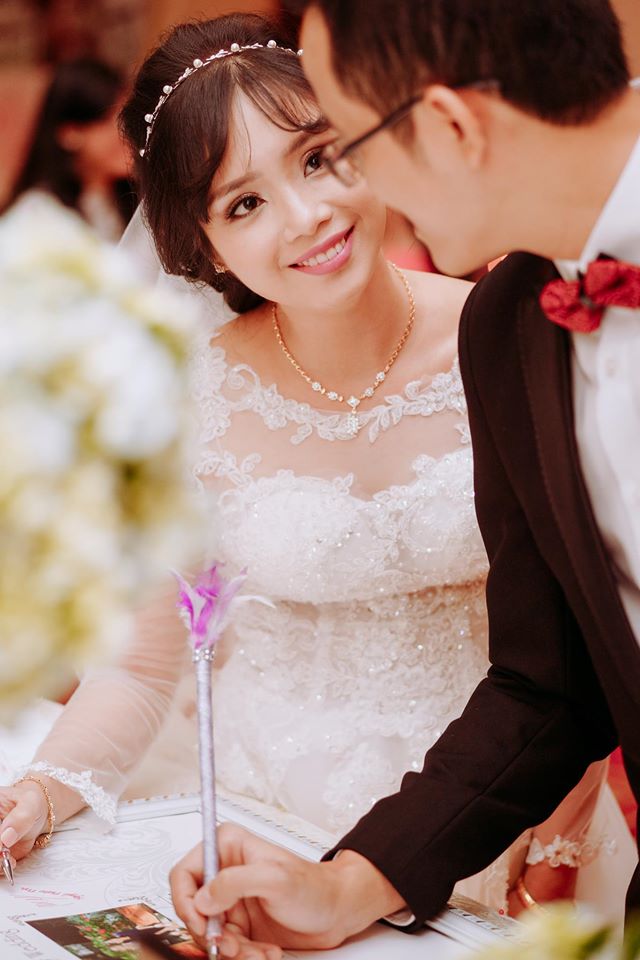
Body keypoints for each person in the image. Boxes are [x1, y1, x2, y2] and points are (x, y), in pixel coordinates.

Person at [0, 6, 630, 939]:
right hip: (267, 835)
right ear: (201, 243)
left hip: (515, 828)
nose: (308, 216)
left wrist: (555, 840)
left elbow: (573, 646)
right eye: (244, 203)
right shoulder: (190, 394)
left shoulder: (509, 335)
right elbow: (140, 664)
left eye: (319, 158)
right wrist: (42, 791)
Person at [5, 58, 135, 240]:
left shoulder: (133, 203)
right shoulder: (41, 215)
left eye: (128, 119)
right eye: (108, 122)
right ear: (70, 132)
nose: (126, 133)